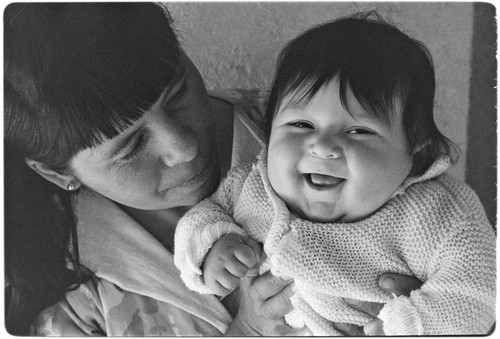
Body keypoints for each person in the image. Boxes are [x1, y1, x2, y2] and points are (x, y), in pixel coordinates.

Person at [4, 3, 423, 336]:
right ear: (58, 173)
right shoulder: (68, 284)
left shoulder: (330, 134)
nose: (185, 147)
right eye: (130, 146)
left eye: (178, 92)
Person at [174, 11, 496, 336]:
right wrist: (212, 247)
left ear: (416, 153)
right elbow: (201, 218)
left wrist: (407, 325)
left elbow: (478, 295)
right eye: (302, 125)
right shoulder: (249, 185)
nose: (323, 146)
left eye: (358, 131)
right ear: (270, 133)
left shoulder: (437, 216)